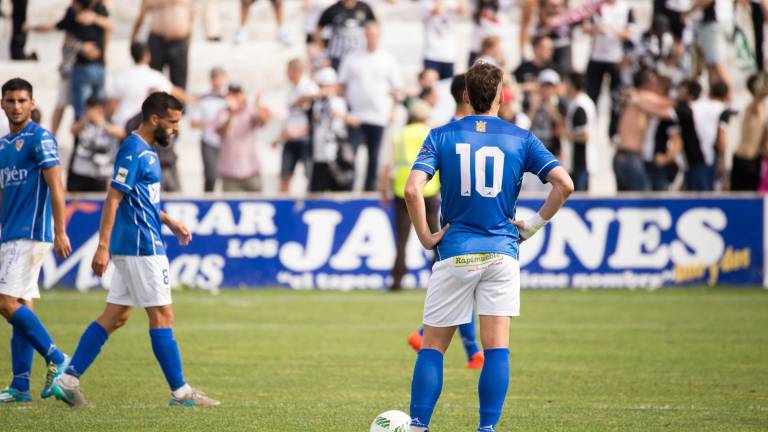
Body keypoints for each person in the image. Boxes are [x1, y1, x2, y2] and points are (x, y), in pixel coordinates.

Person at [405, 62, 573, 432]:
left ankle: (418, 426)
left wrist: (426, 236)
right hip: (501, 251)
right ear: (501, 95)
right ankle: (487, 429)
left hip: (456, 250)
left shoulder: (440, 135)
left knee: (432, 346)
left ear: (465, 95)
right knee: (496, 347)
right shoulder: (521, 137)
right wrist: (533, 224)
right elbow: (564, 184)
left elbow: (412, 189)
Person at [50, 92, 219, 408]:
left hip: (139, 241)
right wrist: (102, 246)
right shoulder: (133, 150)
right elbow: (113, 197)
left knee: (116, 316)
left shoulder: (147, 151)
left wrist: (168, 221)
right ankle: (181, 393)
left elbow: (141, 198)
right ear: (155, 119)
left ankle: (67, 379)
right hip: (141, 245)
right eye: (173, 122)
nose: (176, 129)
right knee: (163, 315)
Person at [399, 74, 484, 370]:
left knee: (464, 285)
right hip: (452, 221)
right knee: (466, 284)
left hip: (456, 219)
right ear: (468, 96)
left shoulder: (460, 130)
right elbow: (414, 186)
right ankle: (473, 352)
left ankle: (425, 335)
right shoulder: (448, 132)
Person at [0, 78, 72, 403]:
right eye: (10, 100)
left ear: (32, 103)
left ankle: (58, 359)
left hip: (30, 234)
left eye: (22, 101)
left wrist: (60, 230)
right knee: (22, 306)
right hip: (10, 234)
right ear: (2, 103)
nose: (16, 106)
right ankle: (19, 385)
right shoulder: (3, 146)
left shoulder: (40, 137)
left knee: (5, 302)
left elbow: (56, 185)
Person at [338, 22, 403, 191]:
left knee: (373, 158)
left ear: (379, 36)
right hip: (356, 116)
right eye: (369, 35)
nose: (371, 39)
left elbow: (396, 89)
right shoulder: (352, 58)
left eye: (374, 35)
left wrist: (392, 111)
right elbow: (341, 87)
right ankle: (349, 189)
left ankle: (369, 190)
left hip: (378, 116)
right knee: (351, 155)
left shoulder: (387, 59)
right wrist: (345, 112)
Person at [583, 0, 634, 140]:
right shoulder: (596, 6)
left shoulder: (626, 8)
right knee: (592, 94)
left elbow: (629, 33)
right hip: (596, 58)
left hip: (615, 59)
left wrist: (611, 30)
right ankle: (590, 127)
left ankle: (613, 132)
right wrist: (596, 29)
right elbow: (584, 27)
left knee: (616, 98)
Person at [54, 0, 112, 120]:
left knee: (97, 107)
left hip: (96, 66)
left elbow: (110, 26)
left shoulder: (98, 9)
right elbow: (66, 36)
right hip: (81, 66)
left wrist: (94, 18)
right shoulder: (73, 13)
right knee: (82, 108)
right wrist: (82, 47)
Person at [216, 84, 271, 192]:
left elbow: (263, 122)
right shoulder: (222, 113)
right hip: (230, 173)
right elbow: (221, 132)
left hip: (251, 171)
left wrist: (257, 105)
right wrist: (232, 113)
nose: (235, 97)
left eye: (237, 94)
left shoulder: (250, 111)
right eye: (232, 94)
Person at [307, 67, 354, 192]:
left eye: (328, 86)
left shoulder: (340, 102)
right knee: (316, 192)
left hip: (336, 155)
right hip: (320, 155)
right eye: (323, 86)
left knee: (341, 190)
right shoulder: (314, 103)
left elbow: (355, 121)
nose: (326, 89)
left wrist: (340, 115)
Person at [131, 0, 193, 90]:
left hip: (179, 41)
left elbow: (190, 15)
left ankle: (179, 104)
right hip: (157, 40)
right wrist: (133, 37)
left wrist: (189, 38)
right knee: (153, 81)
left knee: (179, 83)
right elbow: (141, 16)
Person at [68, 96, 124, 192]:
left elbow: (121, 133)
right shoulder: (81, 121)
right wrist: (86, 120)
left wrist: (101, 124)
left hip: (101, 173)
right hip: (80, 171)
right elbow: (73, 131)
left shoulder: (110, 120)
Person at [280, 59, 319, 193]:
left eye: (288, 71)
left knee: (310, 175)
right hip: (290, 138)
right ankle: (283, 207)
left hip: (305, 139)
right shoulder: (291, 89)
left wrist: (302, 131)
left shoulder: (310, 88)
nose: (286, 74)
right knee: (285, 175)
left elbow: (316, 118)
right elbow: (290, 115)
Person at [190, 67, 229, 192]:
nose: (217, 81)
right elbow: (193, 122)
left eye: (219, 78)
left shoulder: (230, 98)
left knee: (228, 176)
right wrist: (210, 122)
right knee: (211, 176)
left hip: (227, 142)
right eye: (214, 78)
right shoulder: (204, 98)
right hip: (209, 141)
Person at [689, 80, 731, 190]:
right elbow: (721, 137)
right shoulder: (723, 110)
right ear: (726, 95)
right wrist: (723, 162)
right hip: (709, 158)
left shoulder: (695, 105)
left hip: (690, 156)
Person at [731, 72, 768, 190]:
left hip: (754, 161)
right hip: (743, 160)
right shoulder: (753, 107)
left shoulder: (763, 109)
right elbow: (759, 95)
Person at [315, 0, 376, 70]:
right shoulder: (332, 9)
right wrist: (323, 51)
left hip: (359, 56)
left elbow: (374, 25)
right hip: (338, 57)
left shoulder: (364, 7)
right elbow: (318, 29)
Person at [563, 72, 597, 191]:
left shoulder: (580, 105)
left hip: (581, 162)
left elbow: (584, 136)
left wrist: (566, 134)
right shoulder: (581, 102)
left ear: (572, 85)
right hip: (580, 163)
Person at [422, 0, 466, 80]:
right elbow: (438, 10)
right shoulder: (426, 2)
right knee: (430, 88)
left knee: (446, 89)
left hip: (449, 55)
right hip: (432, 54)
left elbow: (463, 10)